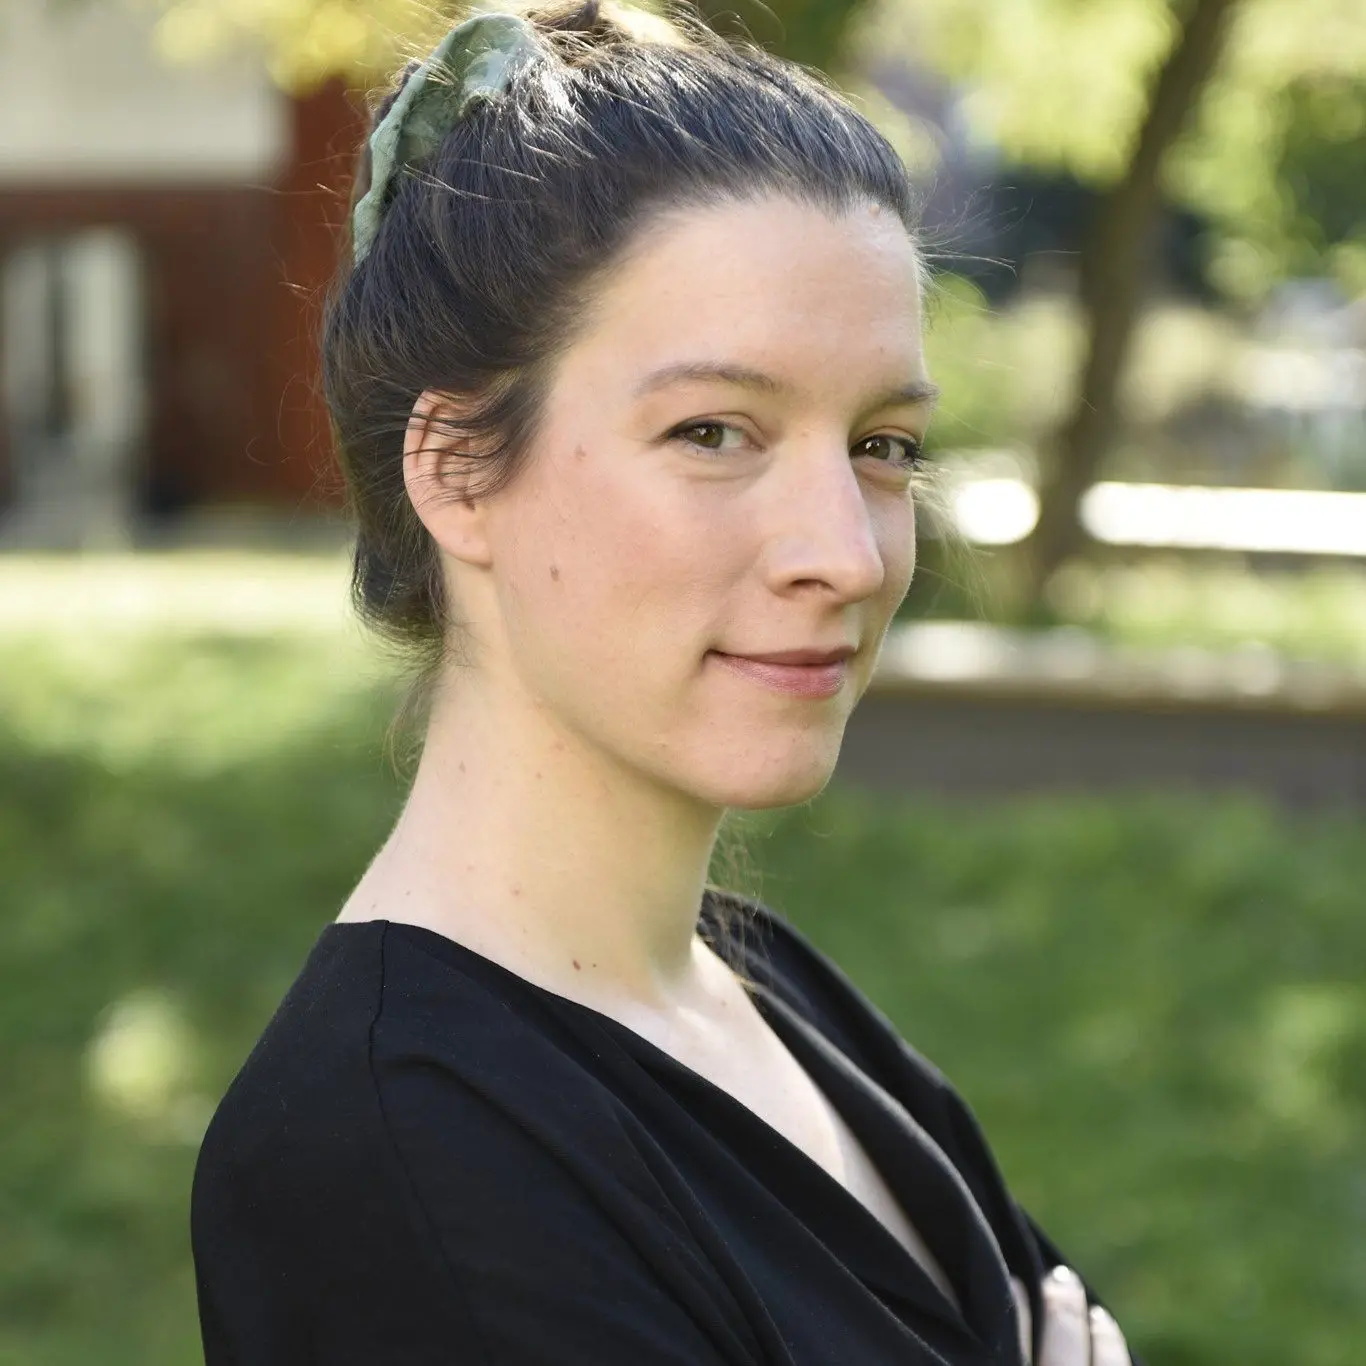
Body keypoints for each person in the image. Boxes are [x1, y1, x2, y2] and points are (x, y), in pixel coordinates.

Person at [189, 4, 1142, 1363]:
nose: (840, 552)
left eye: (881, 443)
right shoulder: (395, 1161)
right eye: (712, 431)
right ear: (457, 468)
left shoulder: (765, 991)